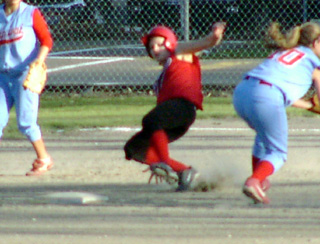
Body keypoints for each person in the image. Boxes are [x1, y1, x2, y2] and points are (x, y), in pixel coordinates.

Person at [124, 22, 226, 191]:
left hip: (183, 108)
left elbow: (205, 43)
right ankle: (184, 172)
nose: (154, 49)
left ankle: (165, 163)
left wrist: (215, 36)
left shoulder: (180, 53)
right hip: (171, 118)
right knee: (134, 149)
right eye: (151, 47)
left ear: (170, 42)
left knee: (151, 119)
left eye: (158, 44)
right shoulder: (163, 73)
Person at [233, 21, 320, 204]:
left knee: (263, 137)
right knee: (278, 152)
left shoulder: (285, 52)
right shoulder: (314, 61)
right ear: (316, 42)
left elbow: (284, 94)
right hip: (266, 96)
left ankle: (259, 180)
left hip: (242, 93)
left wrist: (309, 106)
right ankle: (255, 181)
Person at [0, 0, 53, 176]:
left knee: (26, 122)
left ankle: (44, 158)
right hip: (2, 75)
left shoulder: (30, 12)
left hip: (24, 73)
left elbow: (46, 40)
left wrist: (39, 60)